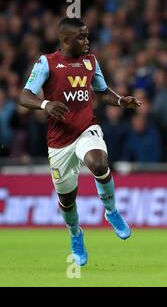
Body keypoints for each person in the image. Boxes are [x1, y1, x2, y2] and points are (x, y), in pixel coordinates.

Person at [19, 18, 142, 266]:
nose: (87, 42)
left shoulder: (91, 61)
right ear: (65, 40)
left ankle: (111, 211)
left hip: (87, 129)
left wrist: (120, 101)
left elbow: (102, 91)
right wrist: (45, 104)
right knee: (67, 199)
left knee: (98, 163)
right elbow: (25, 95)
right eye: (81, 37)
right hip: (59, 141)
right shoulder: (47, 63)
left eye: (87, 36)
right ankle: (76, 234)